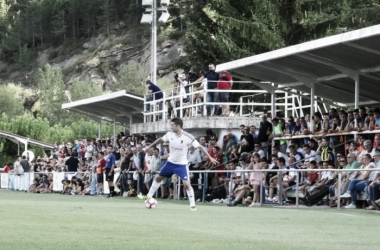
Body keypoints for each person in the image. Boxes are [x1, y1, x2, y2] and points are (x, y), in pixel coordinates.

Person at [138, 117, 218, 211]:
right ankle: (149, 196)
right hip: (170, 163)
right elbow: (160, 139)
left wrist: (210, 157)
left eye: (172, 125)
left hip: (182, 165)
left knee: (186, 184)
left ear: (178, 126)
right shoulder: (169, 134)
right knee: (158, 178)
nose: (171, 127)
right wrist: (150, 146)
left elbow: (200, 147)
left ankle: (192, 205)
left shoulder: (188, 136)